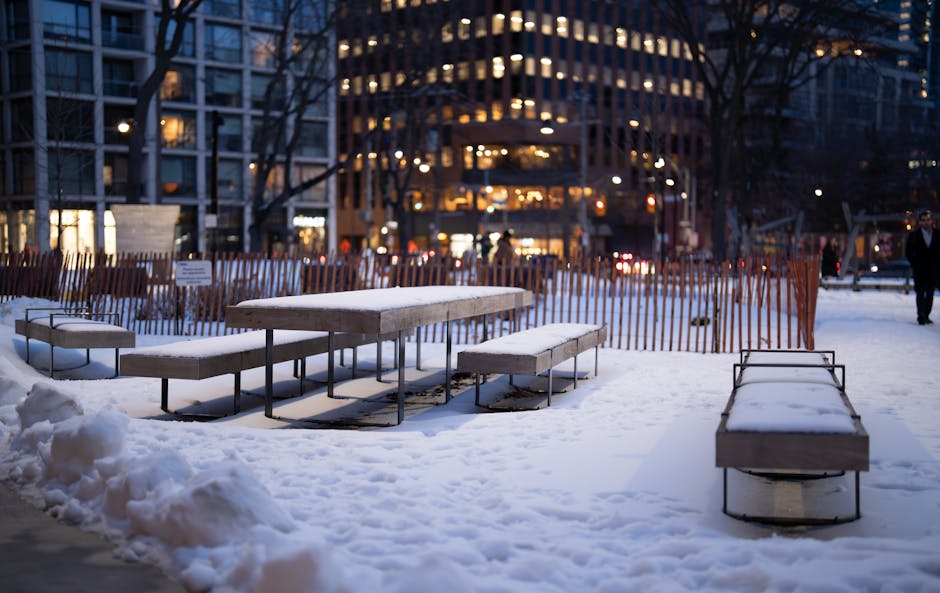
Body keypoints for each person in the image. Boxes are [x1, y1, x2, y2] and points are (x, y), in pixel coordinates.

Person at [904, 209, 940, 325]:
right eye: (923, 220)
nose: (926, 222)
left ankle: (926, 314)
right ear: (920, 222)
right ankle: (921, 315)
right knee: (920, 292)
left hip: (934, 269)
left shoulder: (937, 234)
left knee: (930, 293)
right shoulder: (914, 235)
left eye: (928, 220)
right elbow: (908, 252)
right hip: (919, 269)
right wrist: (914, 263)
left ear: (931, 221)